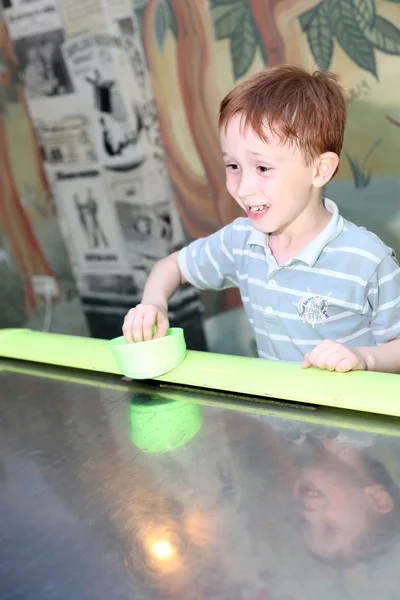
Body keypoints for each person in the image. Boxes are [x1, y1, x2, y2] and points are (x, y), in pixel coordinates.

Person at [122, 66, 400, 373]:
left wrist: (364, 358)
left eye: (263, 168)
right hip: (281, 417)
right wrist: (153, 304)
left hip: (351, 418)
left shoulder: (368, 260)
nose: (243, 188)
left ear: (319, 170)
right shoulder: (240, 242)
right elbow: (171, 266)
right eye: (233, 166)